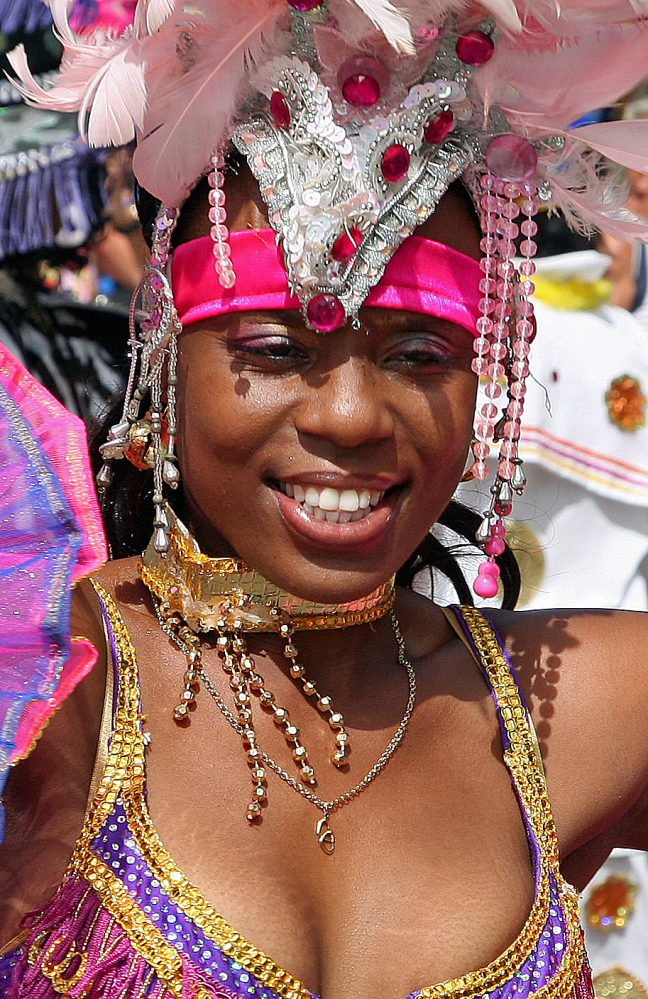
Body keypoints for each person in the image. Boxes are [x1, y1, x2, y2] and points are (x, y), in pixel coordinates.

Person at [1, 2, 648, 998]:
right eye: (275, 350)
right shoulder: (51, 681)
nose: (351, 416)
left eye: (419, 353)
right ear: (169, 359)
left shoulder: (585, 709)